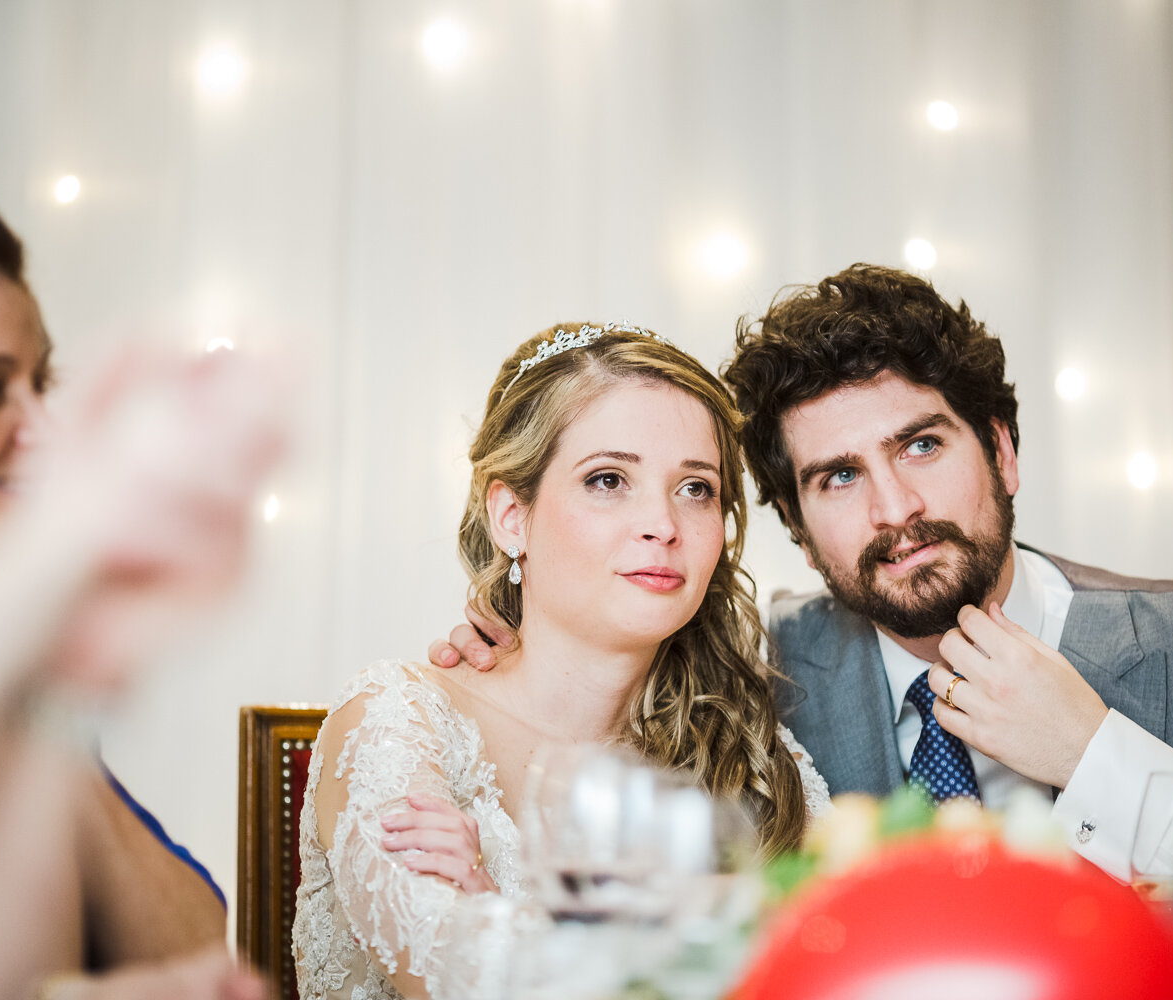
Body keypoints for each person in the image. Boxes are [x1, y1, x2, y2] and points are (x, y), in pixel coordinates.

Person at [716, 262, 1173, 880]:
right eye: (840, 477)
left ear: (1001, 454)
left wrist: (1089, 754)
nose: (896, 507)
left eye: (922, 446)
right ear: (798, 530)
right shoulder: (752, 668)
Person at [294, 322, 829, 1000]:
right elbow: (454, 977)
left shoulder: (755, 753)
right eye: (609, 479)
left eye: (695, 488)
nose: (662, 525)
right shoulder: (396, 720)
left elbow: (851, 963)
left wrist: (496, 908)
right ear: (511, 515)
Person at [0, 178, 280, 1000]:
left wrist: (50, 694)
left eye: (41, 383)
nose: (42, 430)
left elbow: (191, 939)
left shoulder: (0, 672)